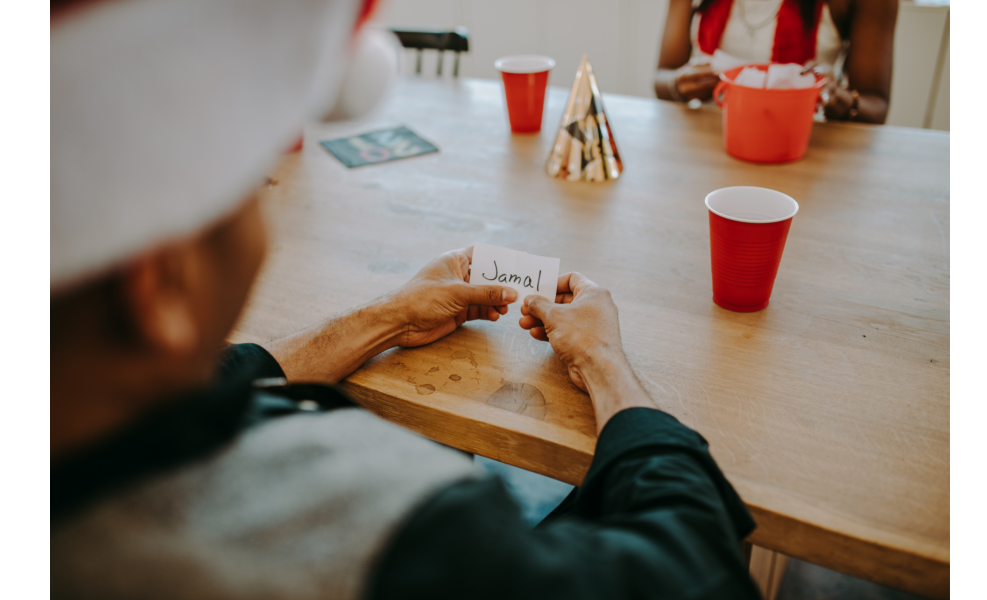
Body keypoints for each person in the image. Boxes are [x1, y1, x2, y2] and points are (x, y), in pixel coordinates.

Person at [51, 1, 761, 598]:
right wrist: (605, 362)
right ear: (161, 284)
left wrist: (389, 313)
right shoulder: (379, 530)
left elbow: (229, 373)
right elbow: (696, 572)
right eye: (255, 189)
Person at [654, 0, 898, 124]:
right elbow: (662, 78)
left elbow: (875, 104)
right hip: (708, 141)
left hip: (805, 149)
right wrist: (679, 83)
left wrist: (838, 98)